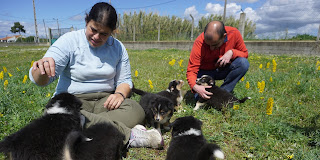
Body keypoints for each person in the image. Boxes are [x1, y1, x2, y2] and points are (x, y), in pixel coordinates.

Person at [29, 2, 163, 149]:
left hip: (106, 102)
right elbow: (41, 80)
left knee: (135, 110)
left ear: (112, 32)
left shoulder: (118, 48)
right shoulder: (69, 41)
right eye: (93, 29)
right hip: (73, 100)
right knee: (58, 113)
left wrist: (119, 94)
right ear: (87, 22)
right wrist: (41, 69)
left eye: (104, 34)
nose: (96, 37)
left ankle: (79, 128)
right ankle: (131, 136)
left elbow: (125, 81)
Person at [186, 20, 249, 100]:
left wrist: (232, 52)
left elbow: (245, 54)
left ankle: (224, 93)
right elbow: (191, 70)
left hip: (222, 70)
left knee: (243, 63)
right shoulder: (199, 42)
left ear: (224, 36)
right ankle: (212, 96)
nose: (211, 48)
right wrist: (195, 87)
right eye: (208, 45)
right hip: (204, 73)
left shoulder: (234, 33)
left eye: (215, 45)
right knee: (200, 98)